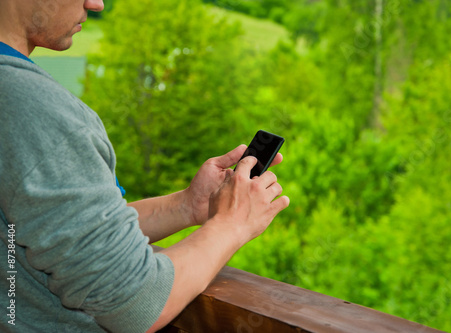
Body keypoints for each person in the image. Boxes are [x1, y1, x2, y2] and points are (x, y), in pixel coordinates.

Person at [0, 1, 289, 332]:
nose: (95, 3)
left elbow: (71, 234)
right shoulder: (34, 110)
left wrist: (187, 206)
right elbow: (136, 303)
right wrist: (232, 225)